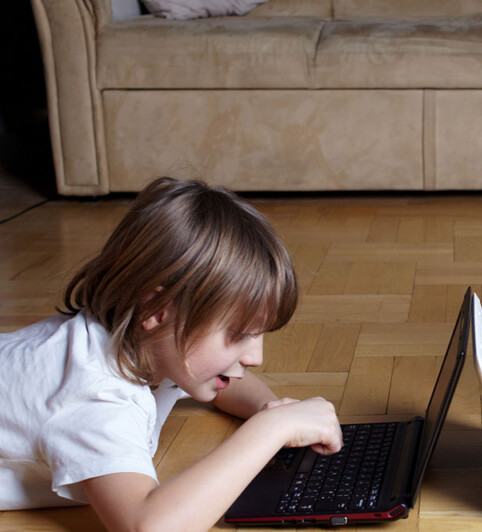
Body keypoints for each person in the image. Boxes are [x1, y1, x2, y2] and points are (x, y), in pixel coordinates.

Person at [0, 177, 343, 530]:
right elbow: (148, 525)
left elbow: (229, 384)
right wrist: (270, 430)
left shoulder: (154, 342)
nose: (255, 356)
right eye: (239, 334)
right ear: (157, 308)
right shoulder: (94, 395)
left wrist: (270, 410)